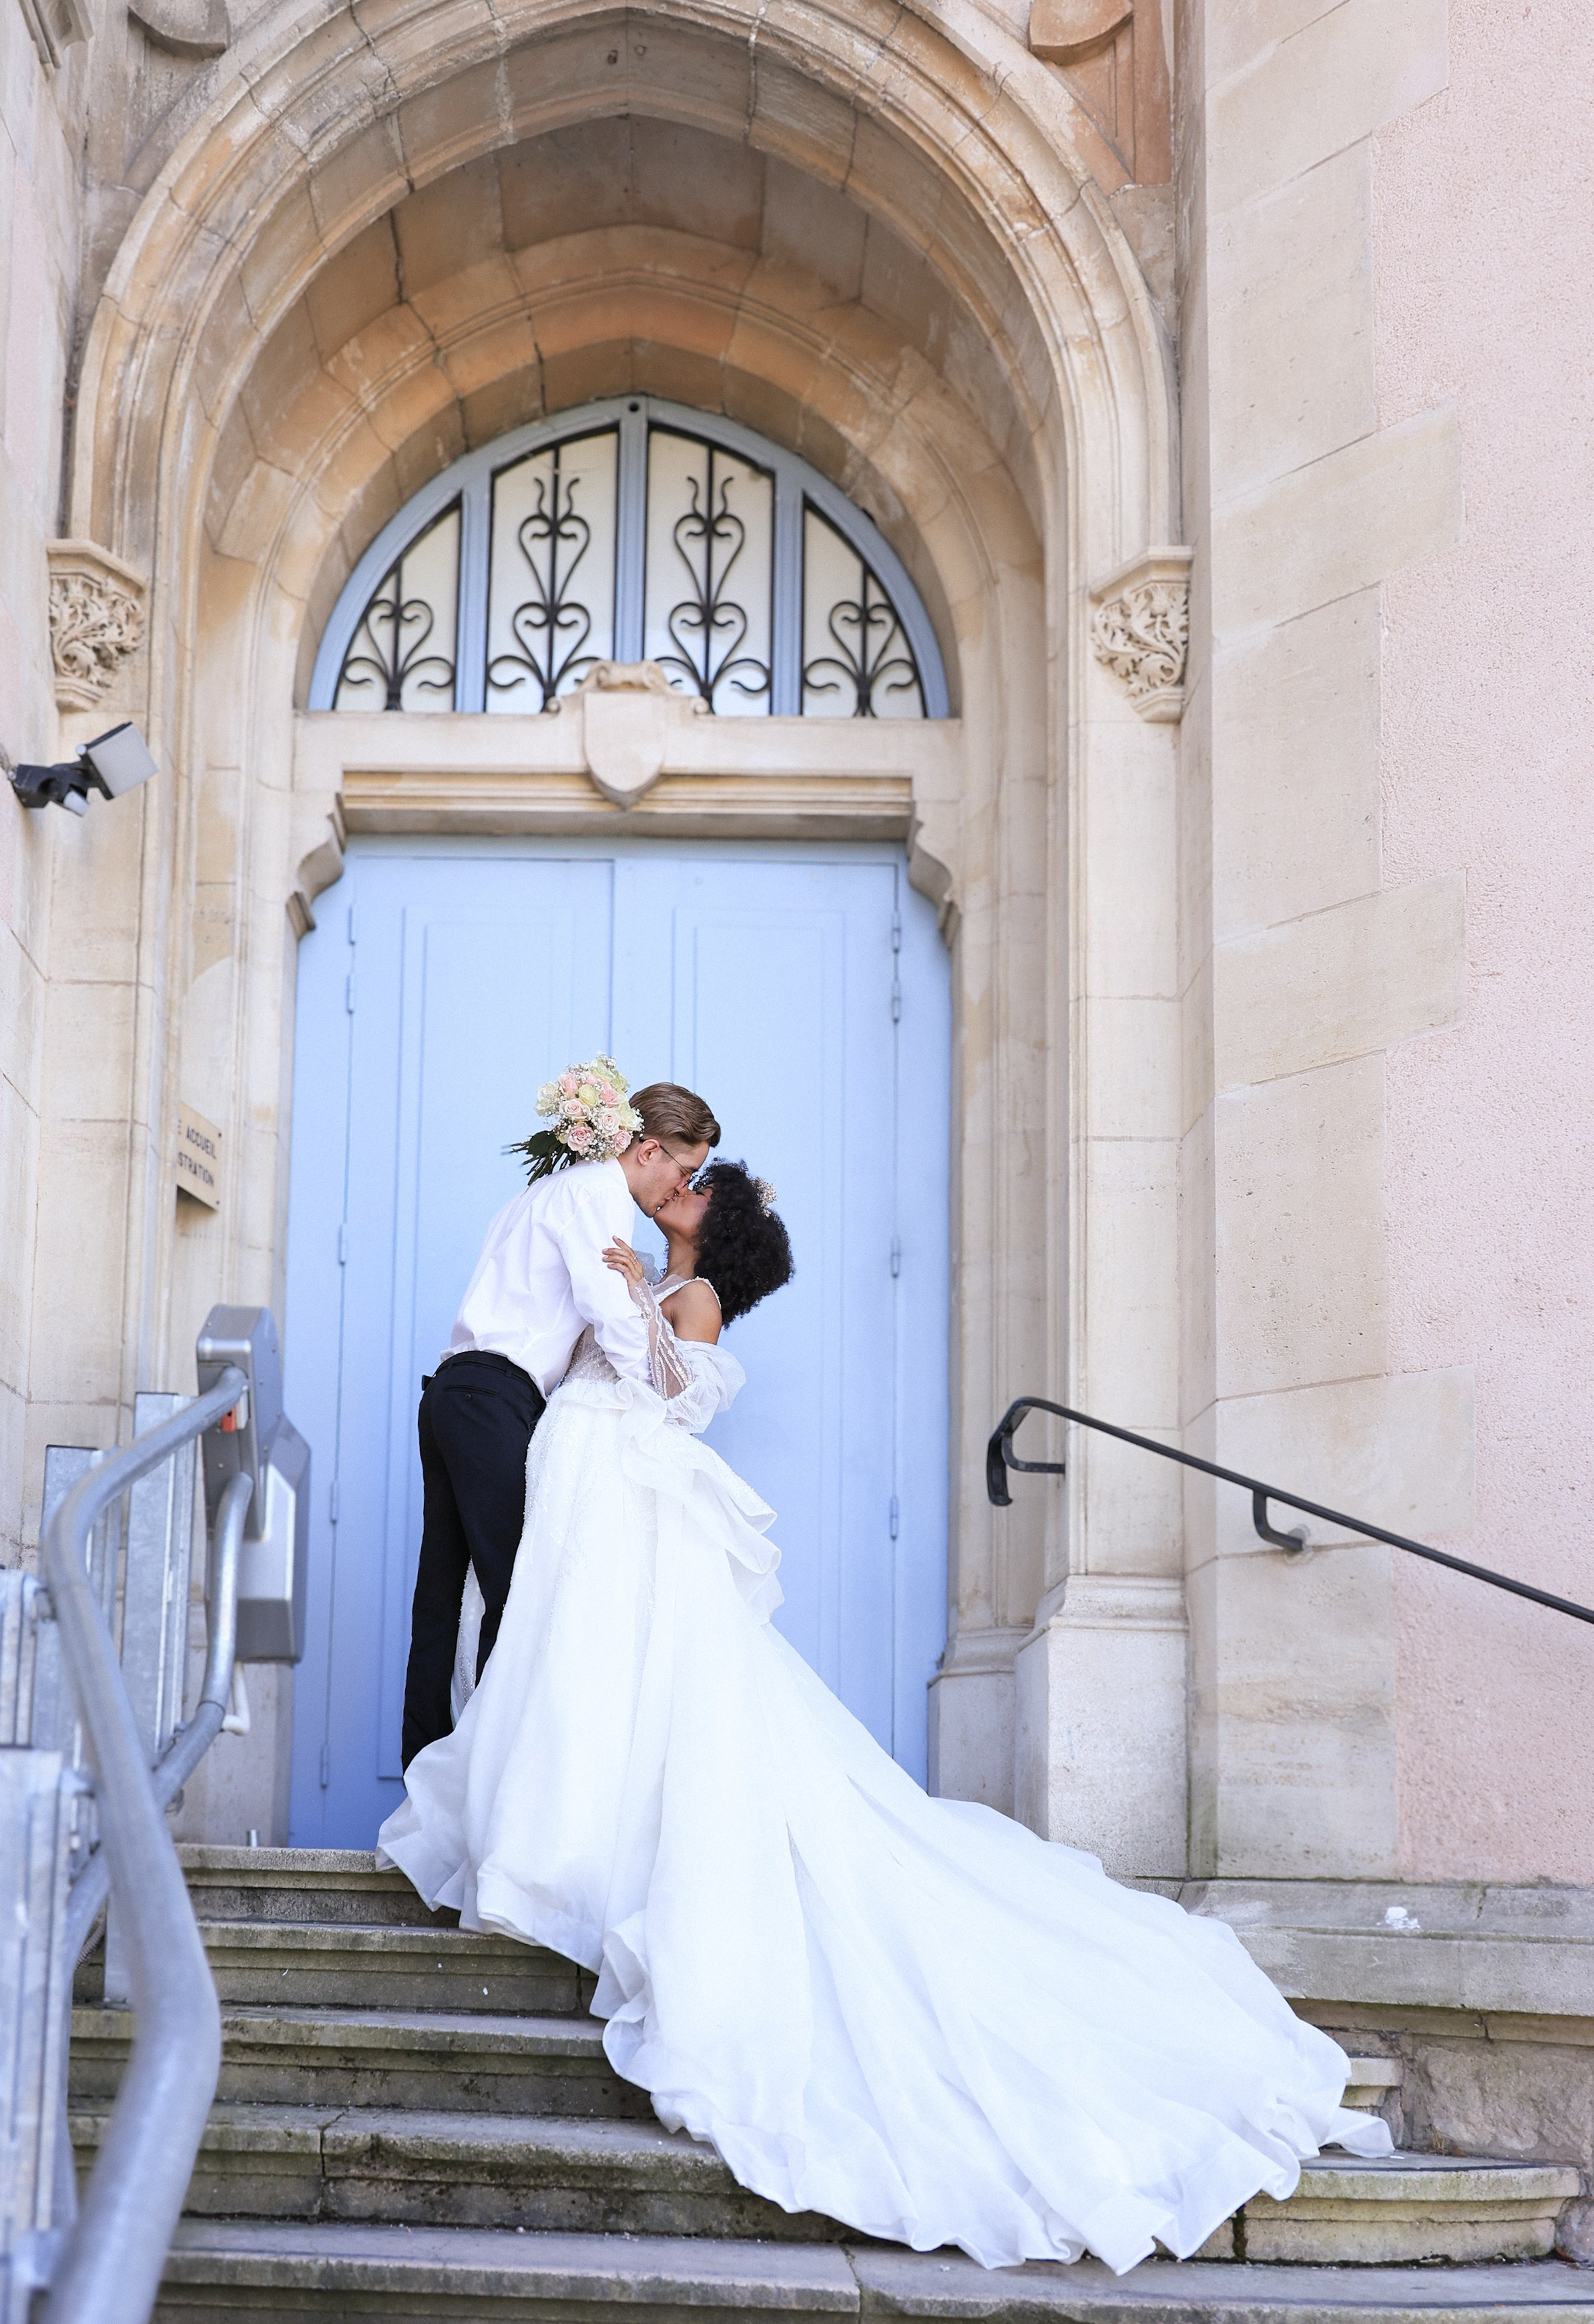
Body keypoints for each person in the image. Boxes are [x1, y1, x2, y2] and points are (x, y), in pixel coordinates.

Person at [380, 1154, 1392, 2274]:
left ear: (716, 1227)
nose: (680, 1184)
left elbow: (675, 1388)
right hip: (580, 1480)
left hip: (622, 1491)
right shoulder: (636, 1265)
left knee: (624, 1679)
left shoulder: (692, 1294)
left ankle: (571, 1852)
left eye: (699, 1185)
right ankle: (551, 1841)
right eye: (684, 1174)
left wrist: (631, 1294)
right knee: (577, 1674)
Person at [397, 1071, 720, 1770]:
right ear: (650, 1149)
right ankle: (493, 1772)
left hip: (452, 1392)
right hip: (494, 1400)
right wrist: (665, 1398)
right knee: (518, 1595)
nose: (679, 1188)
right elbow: (613, 1321)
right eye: (683, 1171)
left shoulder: (544, 1190)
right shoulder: (599, 1196)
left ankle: (427, 1772)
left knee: (442, 1595)